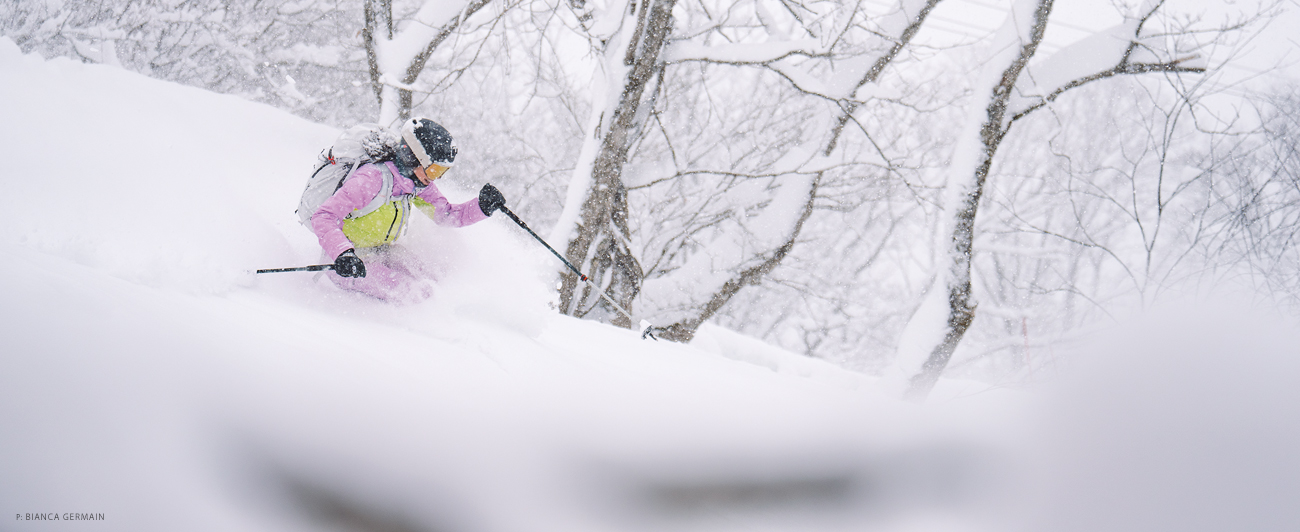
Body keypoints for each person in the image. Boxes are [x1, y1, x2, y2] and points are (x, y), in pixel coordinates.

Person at [309, 117, 506, 302]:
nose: (436, 177)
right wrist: (343, 254)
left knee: (433, 278)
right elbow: (324, 216)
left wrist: (481, 207)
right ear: (413, 157)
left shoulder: (416, 184)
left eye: (442, 171)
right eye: (434, 169)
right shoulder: (371, 179)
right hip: (348, 264)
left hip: (382, 252)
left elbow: (446, 215)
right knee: (414, 293)